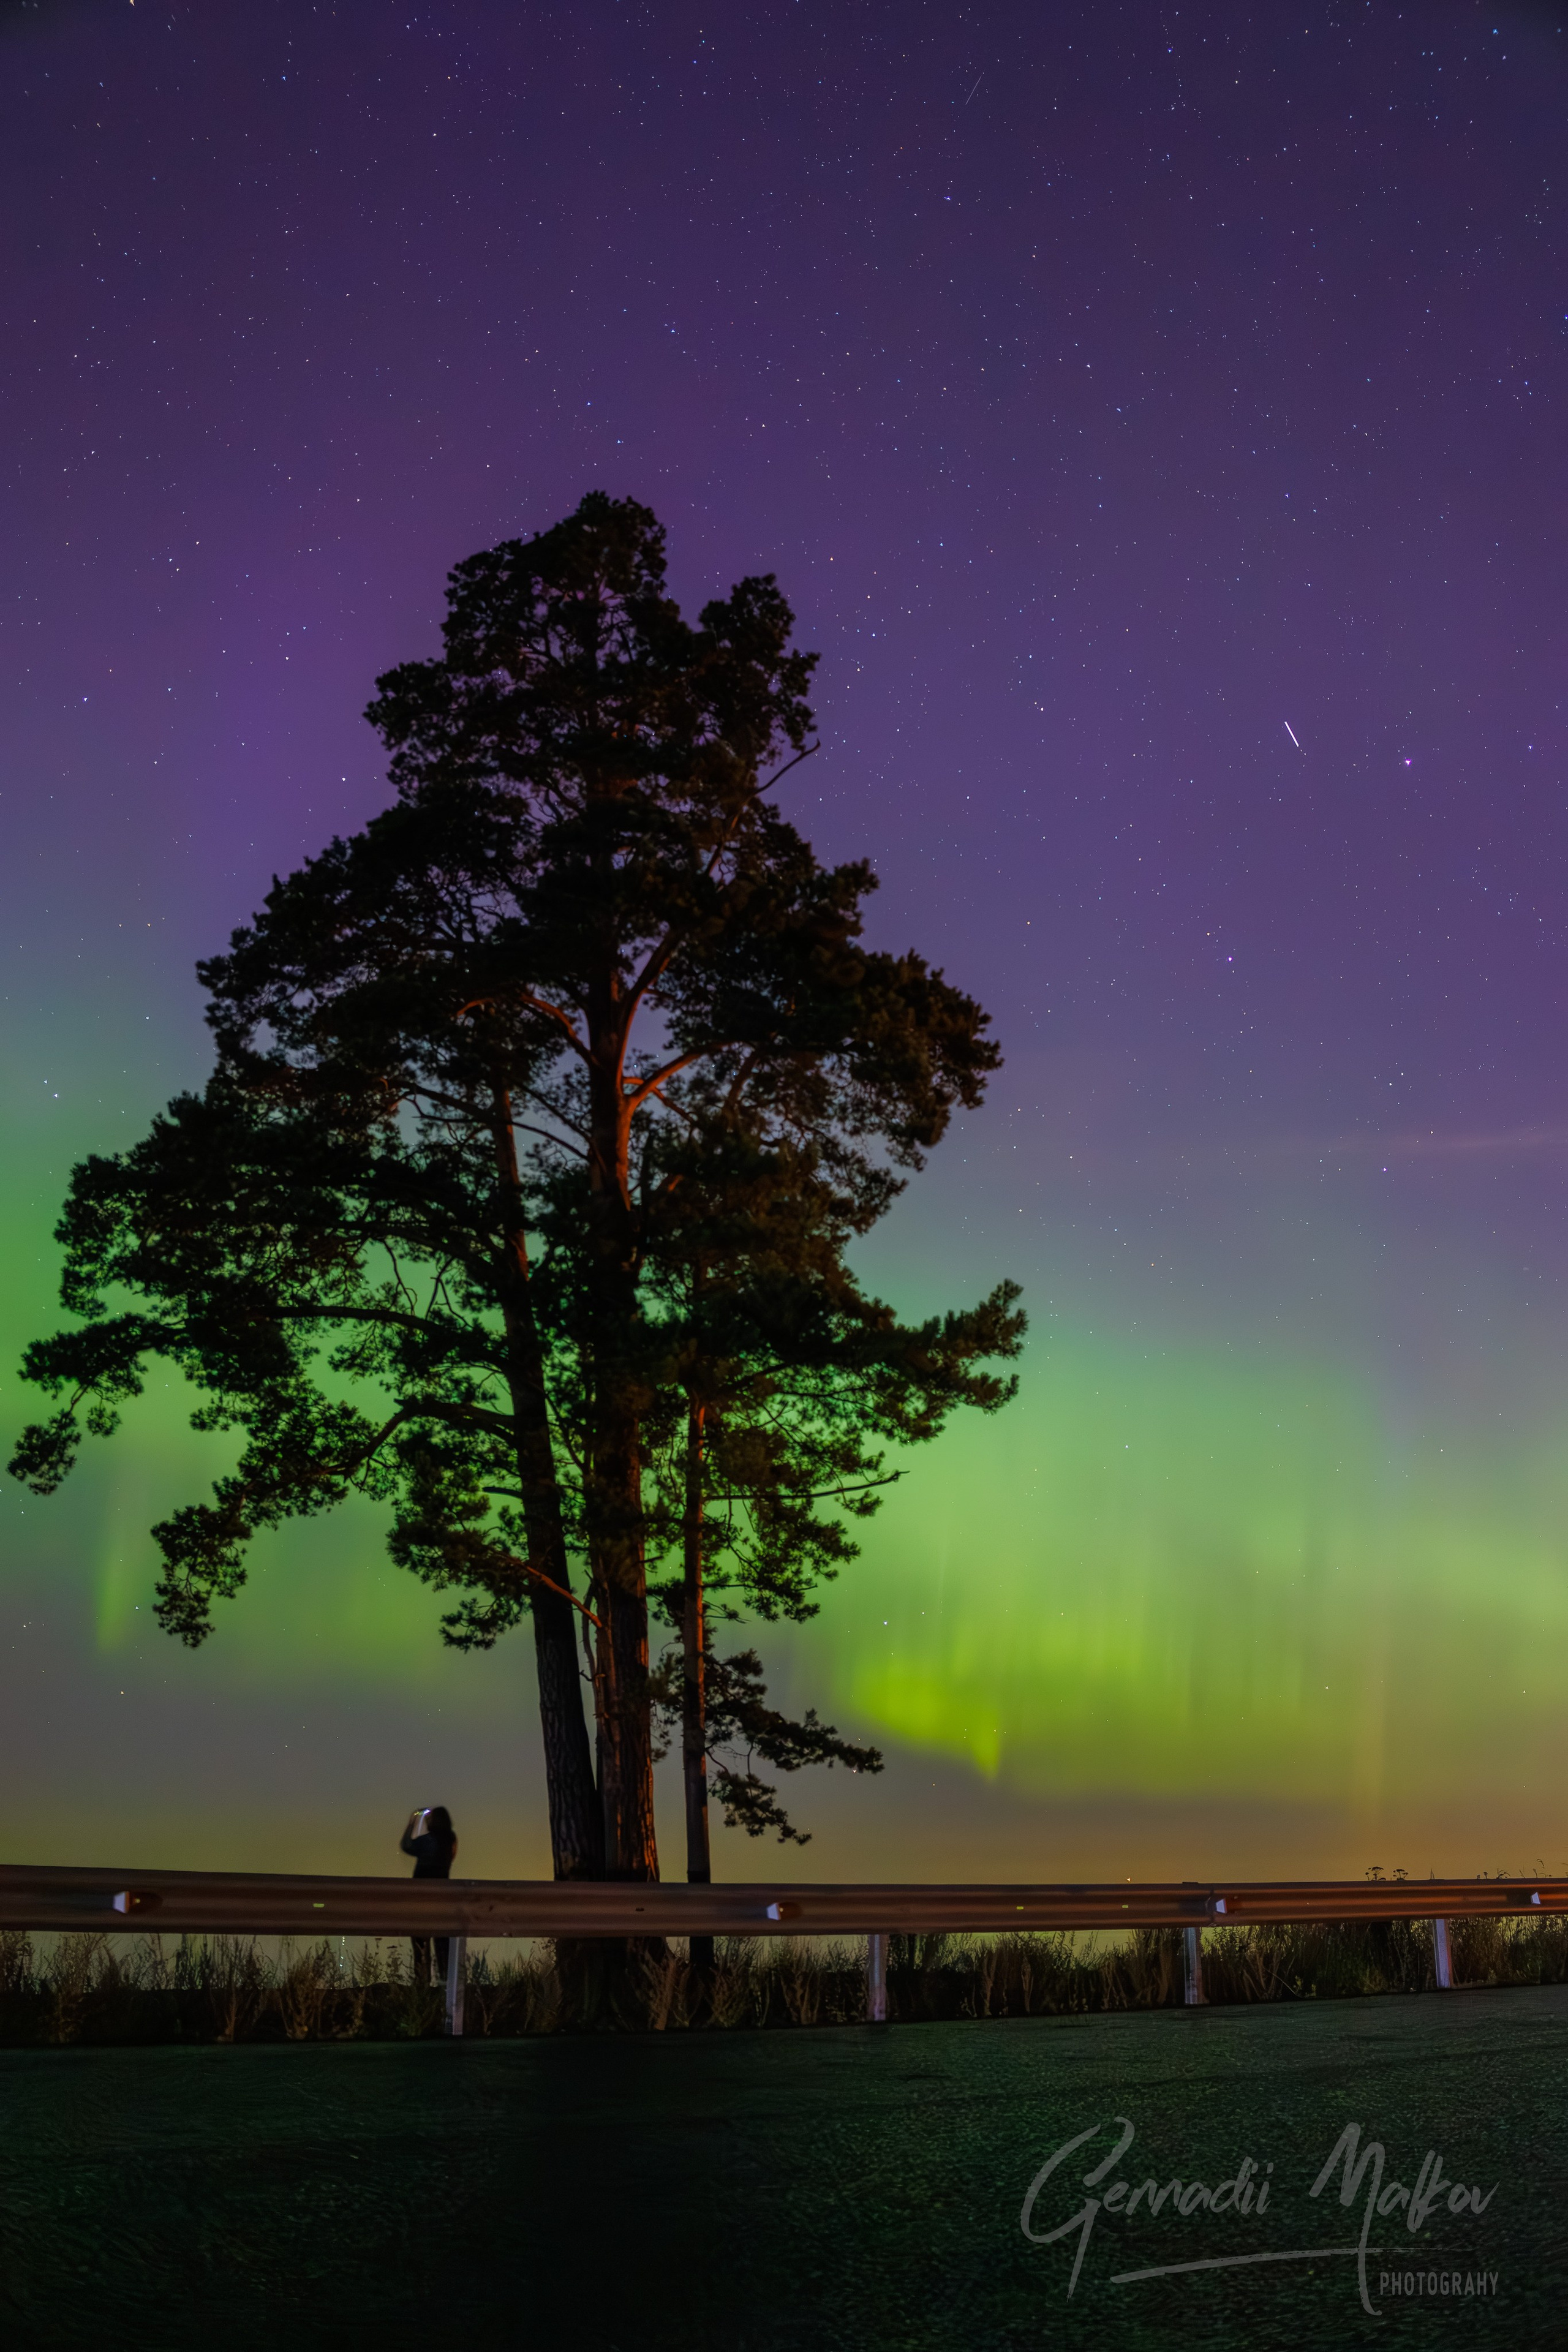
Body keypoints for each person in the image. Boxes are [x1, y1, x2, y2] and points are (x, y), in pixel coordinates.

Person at [400, 1804, 458, 1987]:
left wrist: (413, 1821)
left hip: (423, 1896)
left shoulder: (429, 1840)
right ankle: (445, 1982)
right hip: (443, 1896)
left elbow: (407, 1845)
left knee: (420, 1940)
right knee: (442, 1941)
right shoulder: (451, 1839)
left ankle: (422, 1982)